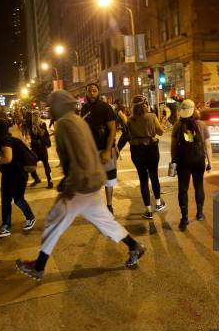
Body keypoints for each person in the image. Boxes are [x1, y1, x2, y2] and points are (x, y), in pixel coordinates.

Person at [15, 90, 146, 280]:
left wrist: (71, 185)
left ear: (58, 106)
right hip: (90, 181)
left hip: (80, 185)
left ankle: (39, 266)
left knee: (54, 221)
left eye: (51, 106)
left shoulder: (66, 124)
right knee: (105, 222)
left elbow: (80, 156)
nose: (49, 110)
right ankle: (135, 247)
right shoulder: (76, 121)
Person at [0, 119, 36, 238]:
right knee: (5, 200)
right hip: (8, 174)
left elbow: (7, 159)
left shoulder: (6, 141)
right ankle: (6, 226)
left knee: (18, 199)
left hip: (17, 175)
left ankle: (30, 217)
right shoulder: (0, 141)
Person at [171, 100, 212, 231]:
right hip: (198, 160)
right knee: (198, 185)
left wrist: (174, 161)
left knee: (183, 189)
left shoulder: (177, 125)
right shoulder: (202, 125)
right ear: (194, 110)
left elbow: (173, 147)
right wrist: (210, 163)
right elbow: (208, 146)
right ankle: (200, 213)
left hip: (183, 161)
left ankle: (184, 218)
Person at [81, 83, 118, 213]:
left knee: (109, 179)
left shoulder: (105, 107)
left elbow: (112, 129)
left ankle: (109, 205)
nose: (92, 93)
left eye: (94, 91)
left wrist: (107, 151)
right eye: (89, 91)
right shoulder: (84, 108)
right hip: (91, 150)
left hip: (105, 148)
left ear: (98, 92)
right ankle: (97, 206)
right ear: (86, 93)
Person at [128, 95, 166, 219]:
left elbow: (128, 135)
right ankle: (159, 204)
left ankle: (148, 210)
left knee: (143, 179)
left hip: (136, 150)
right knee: (154, 176)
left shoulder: (130, 120)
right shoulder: (151, 116)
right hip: (151, 148)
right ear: (145, 104)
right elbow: (160, 132)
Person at [29, 110, 53, 189]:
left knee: (46, 165)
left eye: (37, 115)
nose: (35, 116)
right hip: (35, 149)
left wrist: (37, 125)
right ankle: (36, 179)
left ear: (39, 116)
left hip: (42, 148)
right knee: (31, 164)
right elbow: (31, 136)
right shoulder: (31, 125)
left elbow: (42, 134)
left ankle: (50, 181)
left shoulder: (42, 124)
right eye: (34, 115)